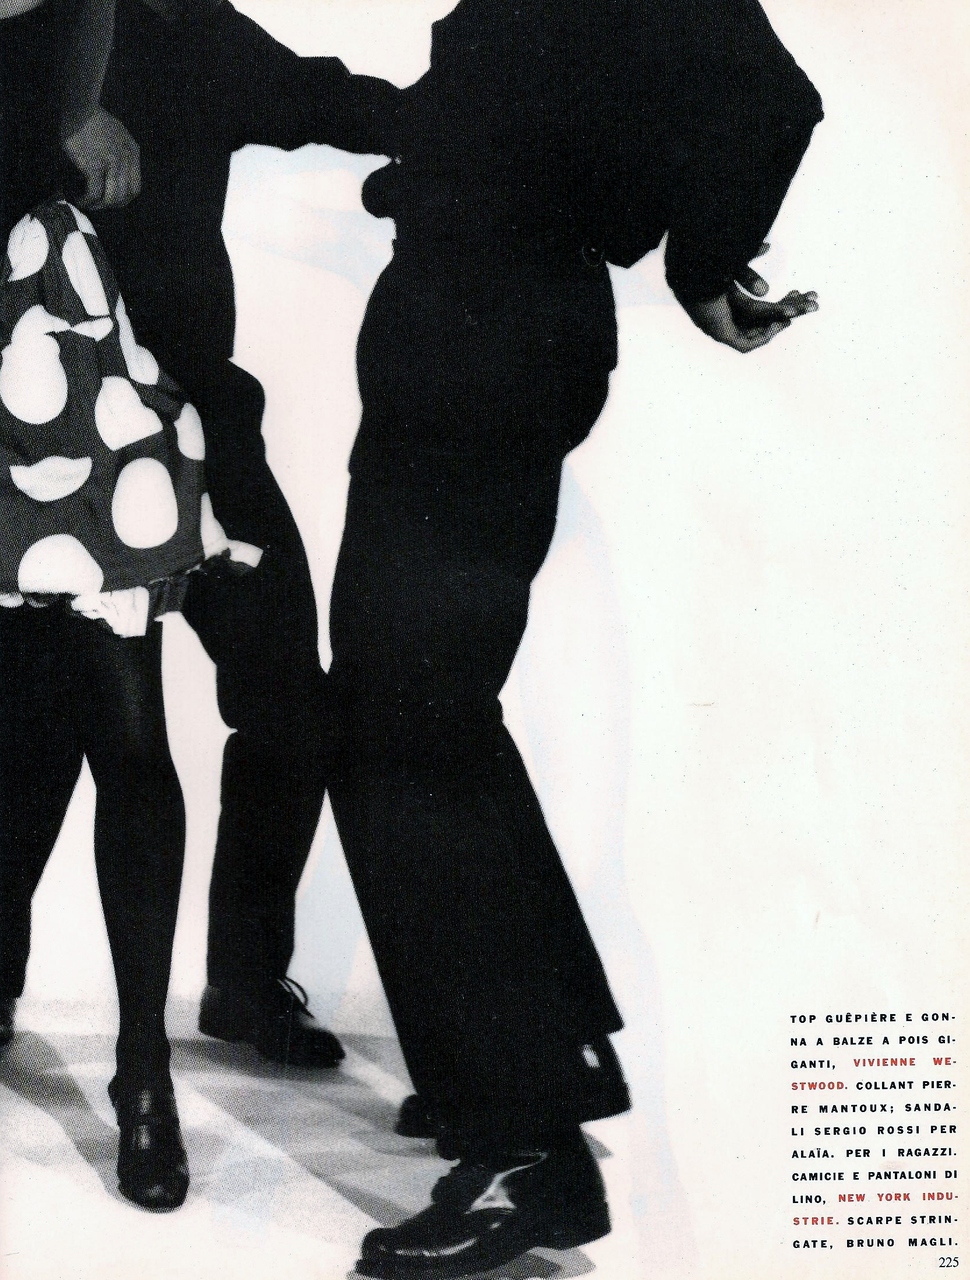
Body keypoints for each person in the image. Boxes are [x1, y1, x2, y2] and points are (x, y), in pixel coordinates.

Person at [325, 0, 824, 1275]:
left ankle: (528, 1145)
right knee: (421, 710)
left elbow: (774, 100)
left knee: (402, 721)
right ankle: (534, 1060)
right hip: (469, 320)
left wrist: (700, 262)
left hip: (486, 333)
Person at [0, 0, 405, 1070]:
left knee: (290, 701)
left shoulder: (192, 29)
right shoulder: (38, 39)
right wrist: (66, 112)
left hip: (202, 433)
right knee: (42, 724)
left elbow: (331, 99)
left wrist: (504, 122)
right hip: (57, 456)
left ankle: (245, 981)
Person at [0, 0, 219, 1212]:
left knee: (124, 723)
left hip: (45, 337)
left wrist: (69, 102)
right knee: (22, 707)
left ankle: (145, 1069)